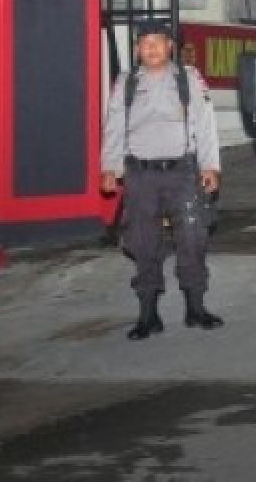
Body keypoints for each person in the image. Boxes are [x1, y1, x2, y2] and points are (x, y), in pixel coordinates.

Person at [100, 20, 223, 341]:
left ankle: (195, 308)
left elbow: (205, 123)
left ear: (171, 46)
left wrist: (210, 165)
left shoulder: (189, 79)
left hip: (183, 172)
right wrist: (110, 166)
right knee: (142, 243)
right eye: (144, 42)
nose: (151, 47)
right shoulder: (126, 82)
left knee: (193, 239)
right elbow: (114, 125)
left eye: (158, 41)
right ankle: (148, 314)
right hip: (140, 176)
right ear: (137, 48)